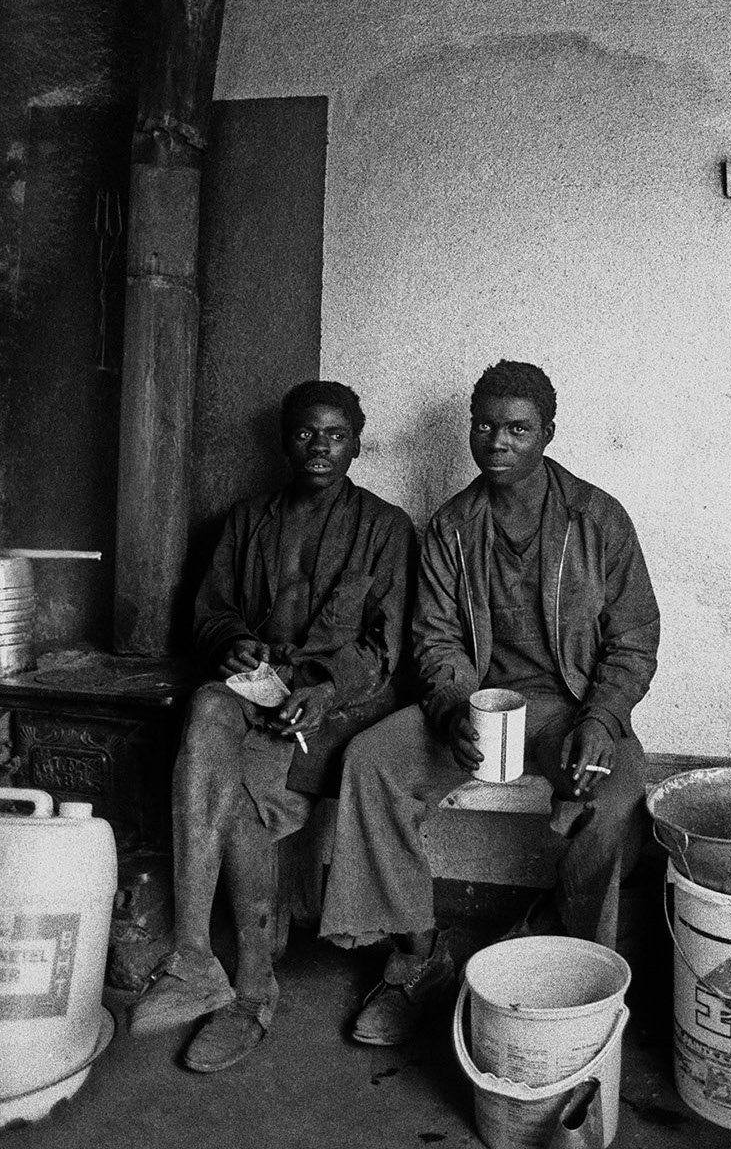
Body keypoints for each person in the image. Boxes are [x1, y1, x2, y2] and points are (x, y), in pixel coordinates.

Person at [320, 359, 660, 1046]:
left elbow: (633, 640)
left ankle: (576, 968)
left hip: (571, 710)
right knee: (371, 762)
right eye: (485, 425)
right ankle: (417, 956)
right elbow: (436, 639)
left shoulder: (596, 519)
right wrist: (449, 708)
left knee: (615, 797)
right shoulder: (453, 526)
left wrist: (600, 720)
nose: (497, 441)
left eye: (517, 428)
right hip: (477, 710)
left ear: (547, 434)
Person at [129, 379, 416, 1071]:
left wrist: (323, 688)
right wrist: (231, 643)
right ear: (285, 440)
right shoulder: (246, 520)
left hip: (341, 708)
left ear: (356, 439)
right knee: (206, 708)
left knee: (242, 790)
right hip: (259, 694)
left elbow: (387, 647)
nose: (320, 447)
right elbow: (209, 612)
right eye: (305, 433)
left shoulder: (385, 528)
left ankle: (254, 985)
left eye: (335, 434)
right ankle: (195, 952)